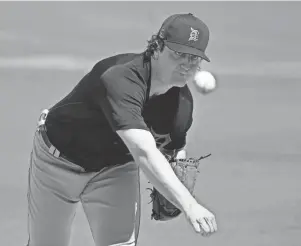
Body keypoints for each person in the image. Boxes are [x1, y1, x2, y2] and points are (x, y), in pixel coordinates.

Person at [26, 13, 218, 246]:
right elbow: (144, 153)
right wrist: (189, 204)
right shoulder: (119, 78)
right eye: (179, 54)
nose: (187, 65)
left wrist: (175, 182)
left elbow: (174, 149)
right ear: (157, 47)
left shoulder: (181, 105)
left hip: (114, 169)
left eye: (194, 58)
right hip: (57, 163)